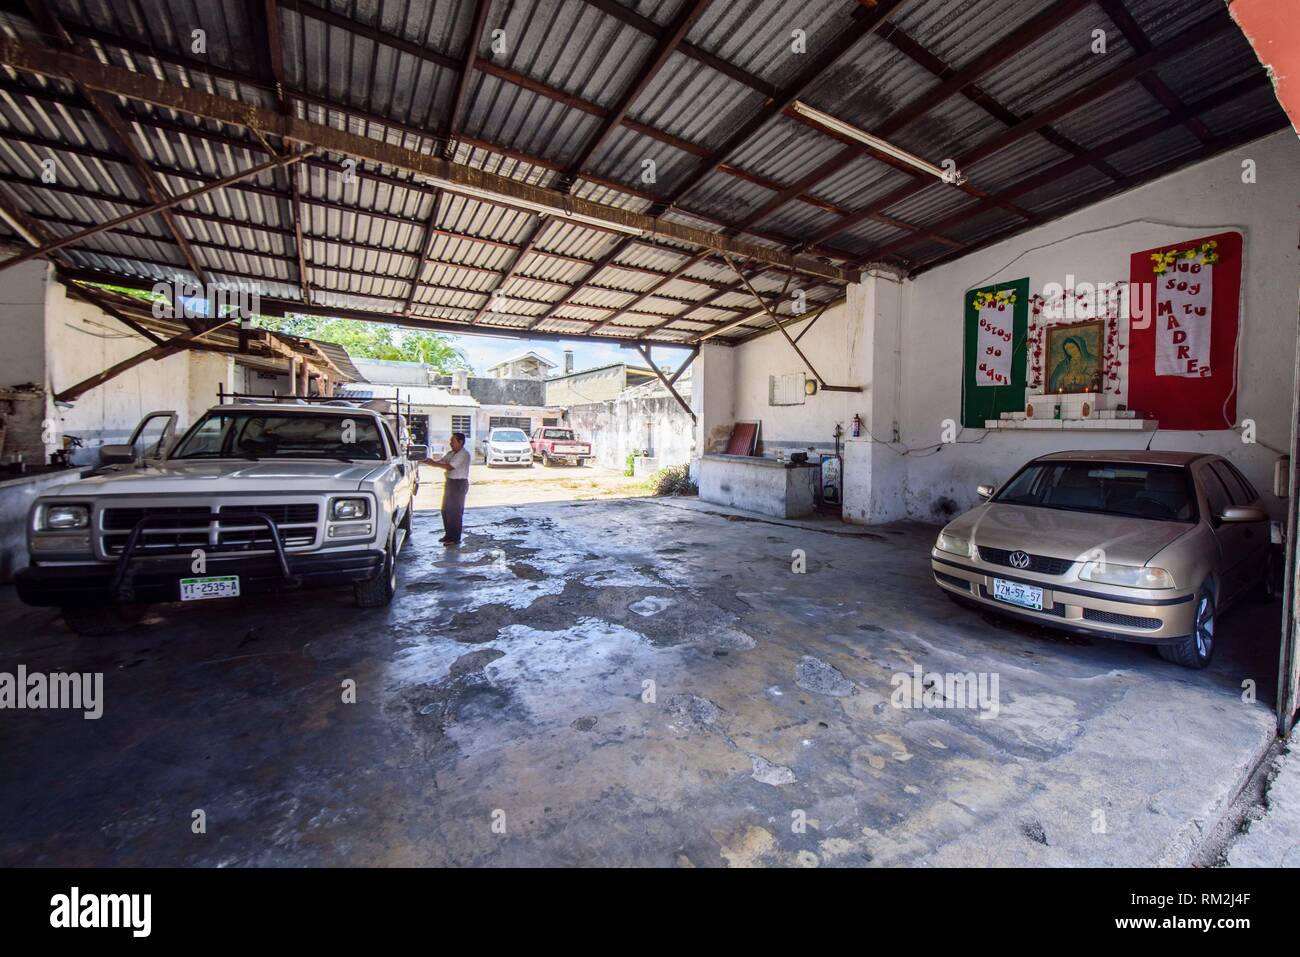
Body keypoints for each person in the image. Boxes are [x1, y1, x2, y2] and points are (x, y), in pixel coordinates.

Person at [424, 432, 471, 545]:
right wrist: (427, 461)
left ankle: (454, 538)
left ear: (461, 442)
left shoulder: (463, 454)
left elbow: (449, 467)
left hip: (458, 484)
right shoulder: (451, 453)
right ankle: (448, 535)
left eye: (453, 441)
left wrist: (433, 464)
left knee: (454, 512)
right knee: (445, 510)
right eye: (450, 441)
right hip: (450, 483)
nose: (450, 443)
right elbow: (441, 462)